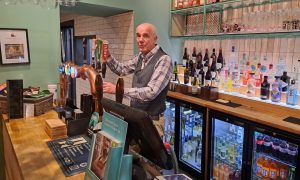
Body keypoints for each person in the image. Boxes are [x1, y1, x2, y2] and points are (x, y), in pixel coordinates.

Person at [102, 22, 173, 137]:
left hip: (152, 122)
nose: (140, 39)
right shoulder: (140, 57)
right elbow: (121, 69)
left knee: (148, 155)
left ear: (155, 39)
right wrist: (108, 55)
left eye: (145, 35)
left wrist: (119, 90)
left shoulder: (164, 60)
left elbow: (151, 92)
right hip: (135, 117)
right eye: (138, 35)